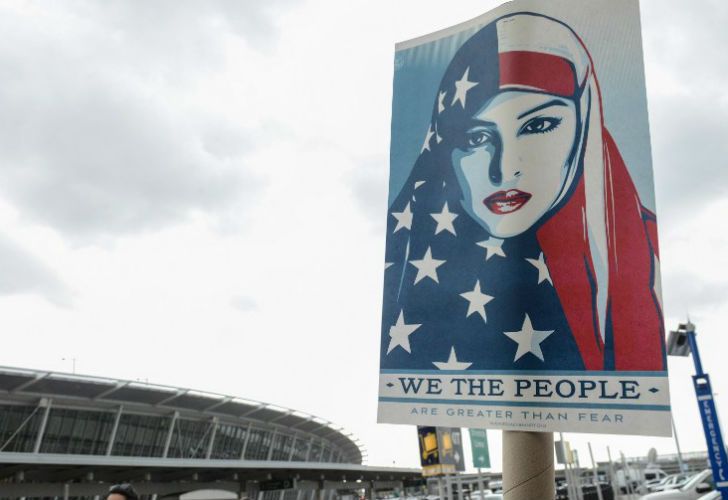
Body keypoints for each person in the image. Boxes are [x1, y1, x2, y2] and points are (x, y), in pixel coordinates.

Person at [381, 12, 665, 371]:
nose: (505, 170)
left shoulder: (644, 251)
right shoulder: (412, 256)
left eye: (539, 125)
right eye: (477, 138)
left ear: (585, 124)